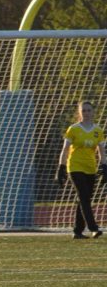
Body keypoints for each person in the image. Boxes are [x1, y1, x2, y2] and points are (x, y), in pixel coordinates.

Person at [55, 100, 106, 239]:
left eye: (89, 110)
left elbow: (102, 152)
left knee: (85, 199)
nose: (87, 113)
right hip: (75, 167)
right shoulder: (73, 129)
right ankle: (93, 228)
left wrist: (104, 167)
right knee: (84, 197)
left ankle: (77, 231)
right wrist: (61, 167)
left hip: (91, 168)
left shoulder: (98, 130)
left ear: (93, 112)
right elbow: (65, 149)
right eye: (84, 110)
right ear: (79, 112)